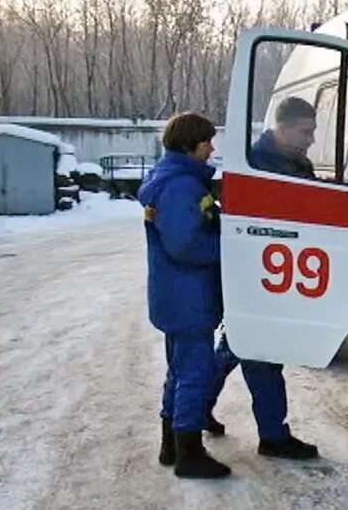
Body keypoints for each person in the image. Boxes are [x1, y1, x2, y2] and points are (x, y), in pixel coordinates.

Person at [205, 96, 319, 460]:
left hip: (273, 275)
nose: (311, 139)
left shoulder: (291, 162)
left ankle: (191, 409)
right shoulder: (261, 165)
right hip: (259, 275)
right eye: (306, 131)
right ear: (282, 129)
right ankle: (273, 435)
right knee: (262, 355)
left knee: (236, 347)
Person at [139, 112, 231, 479]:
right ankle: (189, 454)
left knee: (179, 370)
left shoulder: (178, 180)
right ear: (189, 144)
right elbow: (186, 245)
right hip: (187, 296)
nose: (212, 148)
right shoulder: (180, 188)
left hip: (175, 295)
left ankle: (171, 444)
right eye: (207, 141)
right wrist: (228, 246)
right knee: (195, 371)